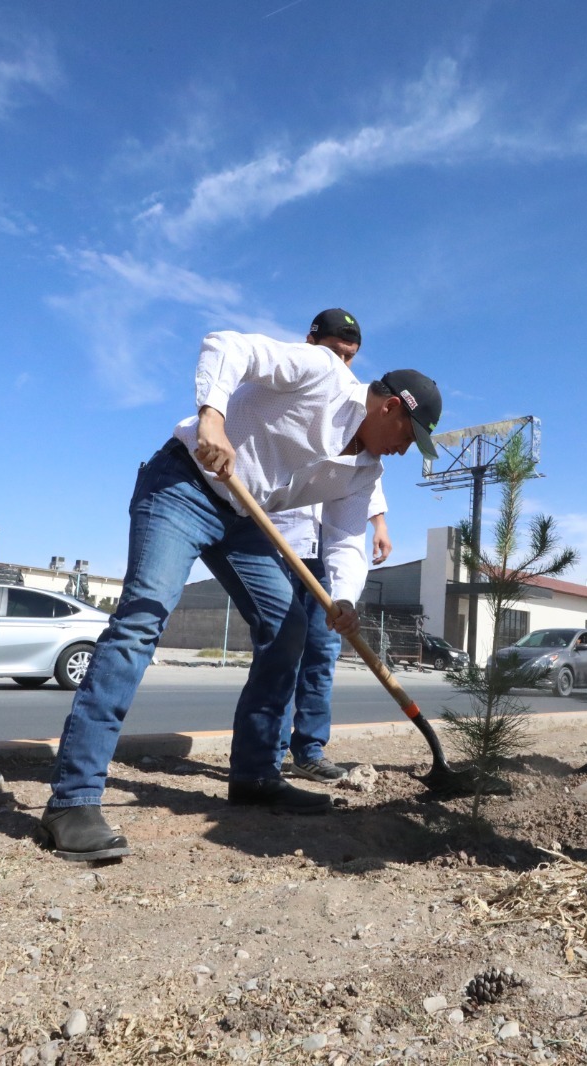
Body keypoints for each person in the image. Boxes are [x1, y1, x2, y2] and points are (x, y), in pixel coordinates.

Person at [34, 327, 441, 861]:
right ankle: (73, 800)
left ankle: (254, 776)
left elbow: (345, 538)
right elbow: (226, 345)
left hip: (243, 515)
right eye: (409, 436)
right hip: (183, 485)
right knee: (141, 623)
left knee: (290, 629)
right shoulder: (322, 373)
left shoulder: (366, 470)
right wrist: (212, 417)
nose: (406, 450)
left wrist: (343, 598)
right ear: (389, 407)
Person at [270, 309, 393, 785]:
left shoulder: (360, 405)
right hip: (281, 538)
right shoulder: (300, 387)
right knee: (281, 648)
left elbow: (365, 475)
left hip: (325, 546)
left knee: (321, 650)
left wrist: (378, 523)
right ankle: (269, 754)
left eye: (350, 357)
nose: (343, 364)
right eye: (336, 353)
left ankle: (309, 748)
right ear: (311, 342)